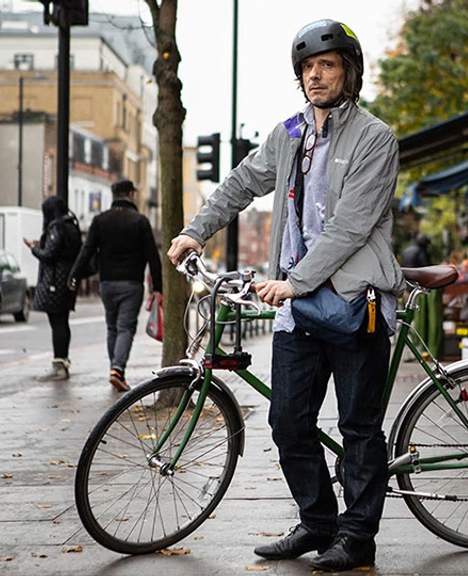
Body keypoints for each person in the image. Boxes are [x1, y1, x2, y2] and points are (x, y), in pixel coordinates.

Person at [167, 19, 404, 572]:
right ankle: (318, 522)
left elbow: (350, 227)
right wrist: (196, 230)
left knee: (358, 427)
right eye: (307, 67)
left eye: (327, 65)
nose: (315, 75)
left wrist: (295, 281)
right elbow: (240, 183)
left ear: (349, 72)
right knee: (288, 422)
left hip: (354, 303)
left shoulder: (375, 138)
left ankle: (357, 537)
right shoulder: (290, 133)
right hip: (298, 312)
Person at [70, 179, 162, 392]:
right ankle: (117, 370)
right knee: (125, 327)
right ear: (131, 194)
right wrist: (158, 287)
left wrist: (74, 276)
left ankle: (115, 370)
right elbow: (152, 256)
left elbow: (87, 250)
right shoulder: (140, 221)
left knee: (112, 327)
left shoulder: (100, 220)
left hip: (107, 284)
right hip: (132, 284)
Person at [25, 196, 82, 381]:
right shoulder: (72, 225)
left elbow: (49, 255)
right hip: (67, 280)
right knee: (62, 322)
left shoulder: (57, 227)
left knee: (57, 323)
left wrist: (34, 248)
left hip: (55, 282)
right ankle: (62, 362)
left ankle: (59, 366)